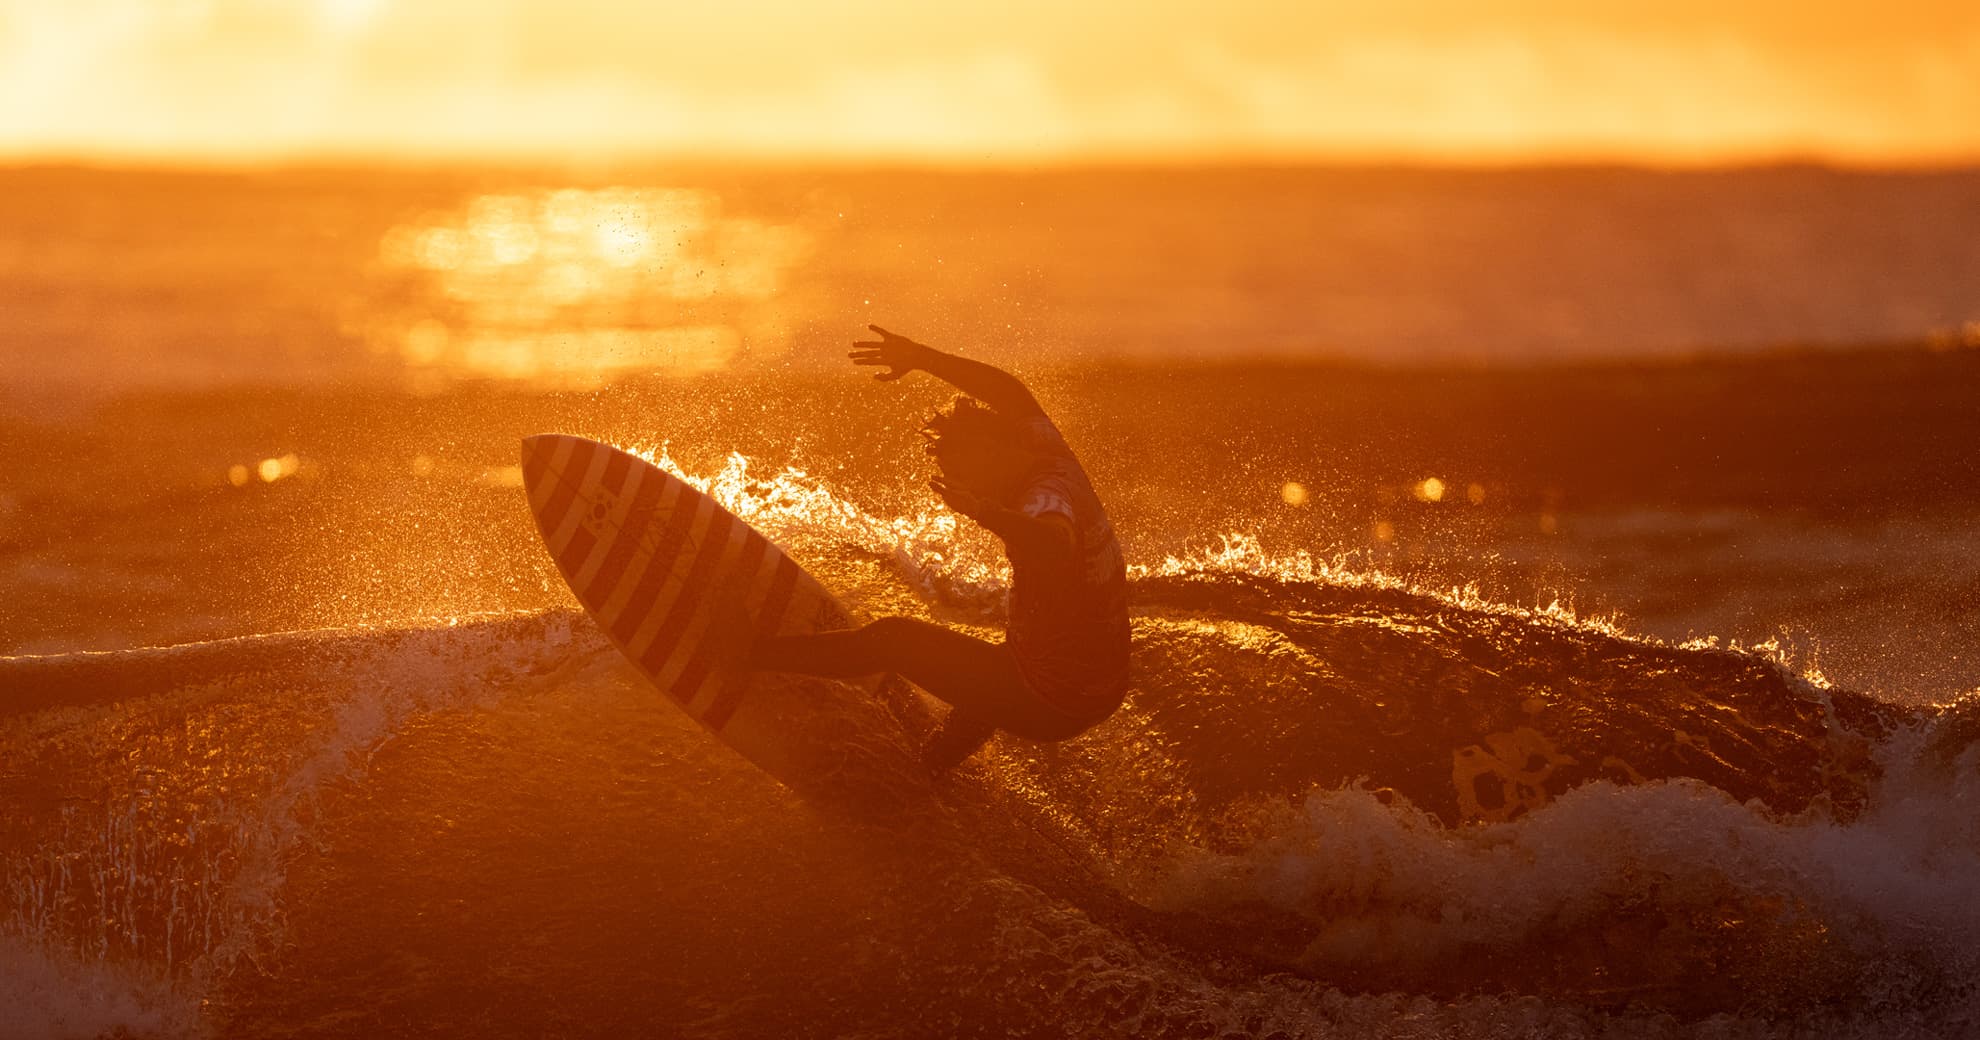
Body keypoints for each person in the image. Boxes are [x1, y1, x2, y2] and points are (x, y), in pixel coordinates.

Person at [746, 325, 1131, 772]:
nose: (964, 485)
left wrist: (987, 513)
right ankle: (932, 770)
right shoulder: (1044, 449)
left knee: (894, 639)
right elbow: (1009, 391)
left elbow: (1055, 542)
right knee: (987, 680)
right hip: (1093, 684)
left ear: (989, 453)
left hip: (1049, 697)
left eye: (965, 473)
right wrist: (922, 357)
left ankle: (749, 654)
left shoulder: (1042, 497)